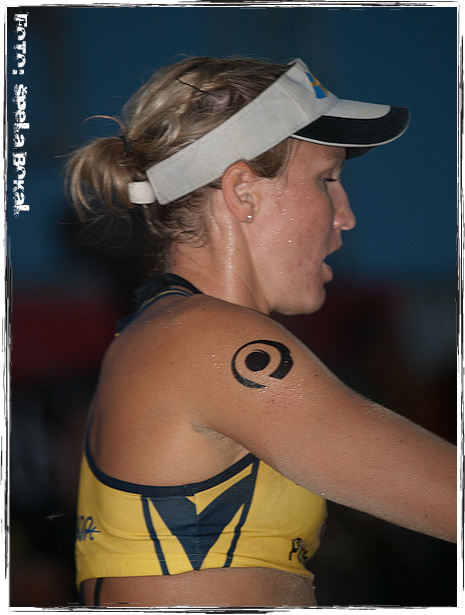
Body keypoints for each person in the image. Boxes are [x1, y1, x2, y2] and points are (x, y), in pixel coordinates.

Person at [67, 56, 456, 608]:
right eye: (327, 180)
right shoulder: (205, 339)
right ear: (243, 191)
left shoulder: (168, 332)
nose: (345, 216)